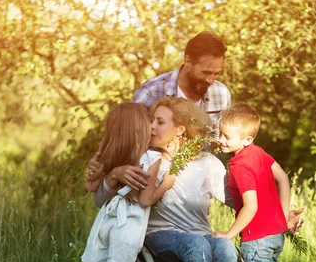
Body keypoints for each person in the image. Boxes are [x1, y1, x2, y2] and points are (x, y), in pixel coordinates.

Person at [93, 97, 245, 262]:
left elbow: (238, 201)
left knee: (224, 245)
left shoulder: (207, 164)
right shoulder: (147, 160)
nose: (151, 126)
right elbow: (105, 196)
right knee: (198, 244)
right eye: (151, 120)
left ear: (180, 129)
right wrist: (112, 173)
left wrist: (279, 216)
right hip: (160, 238)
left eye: (159, 121)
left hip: (199, 237)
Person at [73, 103, 175, 262]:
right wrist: (166, 185)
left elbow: (91, 187)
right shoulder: (151, 157)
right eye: (148, 123)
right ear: (137, 129)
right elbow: (146, 200)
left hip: (106, 223)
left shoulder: (114, 157)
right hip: (127, 228)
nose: (152, 127)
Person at [87, 31, 231, 191]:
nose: (210, 80)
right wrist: (105, 164)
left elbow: (216, 143)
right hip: (148, 184)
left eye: (216, 73)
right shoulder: (151, 91)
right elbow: (126, 140)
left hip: (195, 190)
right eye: (205, 72)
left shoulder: (221, 94)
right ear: (187, 61)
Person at [214, 103, 307, 262]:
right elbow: (283, 178)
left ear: (247, 139)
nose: (220, 139)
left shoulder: (239, 165)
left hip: (257, 240)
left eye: (227, 136)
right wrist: (284, 214)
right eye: (220, 132)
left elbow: (250, 206)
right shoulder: (258, 152)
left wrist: (228, 234)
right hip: (275, 236)